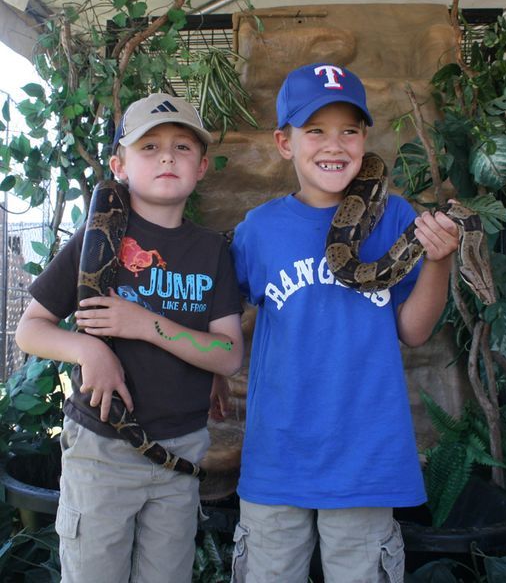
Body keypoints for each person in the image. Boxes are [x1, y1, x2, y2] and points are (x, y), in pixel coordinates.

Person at [229, 63, 460, 583]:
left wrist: (439, 260)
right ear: (284, 142)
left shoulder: (399, 218)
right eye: (315, 130)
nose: (334, 146)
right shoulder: (259, 230)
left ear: (364, 141)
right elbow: (224, 315)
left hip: (367, 457)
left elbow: (414, 331)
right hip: (278, 456)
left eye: (349, 131)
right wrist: (207, 378)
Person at [15, 92, 244, 583]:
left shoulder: (213, 251)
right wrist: (88, 347)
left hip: (180, 451)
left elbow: (227, 355)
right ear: (119, 165)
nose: (167, 155)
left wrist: (142, 324)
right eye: (150, 146)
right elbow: (29, 329)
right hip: (102, 451)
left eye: (183, 146)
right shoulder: (93, 242)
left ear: (202, 166)